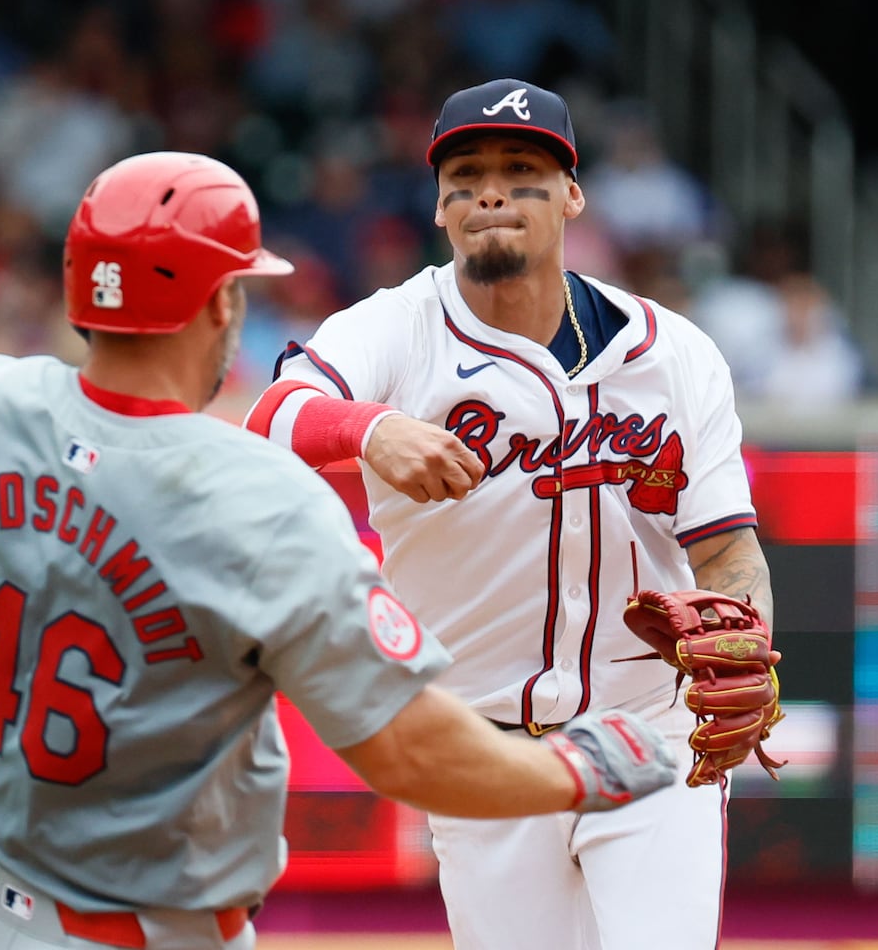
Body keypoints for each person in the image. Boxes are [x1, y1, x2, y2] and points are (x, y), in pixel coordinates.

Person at [0, 151, 676, 950]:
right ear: (221, 303)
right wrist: (574, 769)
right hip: (148, 933)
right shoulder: (258, 499)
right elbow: (407, 751)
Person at [243, 79, 775, 950]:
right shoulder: (398, 327)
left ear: (572, 196)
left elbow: (724, 547)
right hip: (480, 747)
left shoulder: (674, 352)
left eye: (523, 171)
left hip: (648, 724)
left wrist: (747, 635)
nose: (492, 190)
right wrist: (369, 428)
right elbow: (272, 414)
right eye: (468, 173)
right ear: (442, 208)